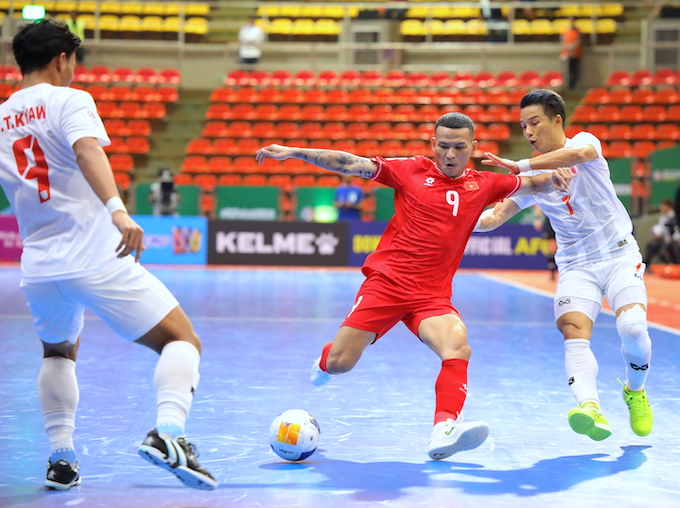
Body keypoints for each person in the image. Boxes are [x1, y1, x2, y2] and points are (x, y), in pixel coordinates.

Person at [256, 112, 573, 460]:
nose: (451, 155)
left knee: (458, 346)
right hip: (387, 283)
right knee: (341, 362)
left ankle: (444, 429)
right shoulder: (411, 171)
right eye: (444, 146)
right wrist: (294, 151)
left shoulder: (484, 184)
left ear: (474, 148)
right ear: (433, 144)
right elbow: (351, 163)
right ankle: (325, 360)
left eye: (459, 147)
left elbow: (531, 184)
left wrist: (554, 174)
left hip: (432, 295)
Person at [0, 20, 216, 490]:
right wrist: (118, 211)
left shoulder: (1, 118)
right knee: (182, 340)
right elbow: (87, 152)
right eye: (74, 61)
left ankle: (61, 459)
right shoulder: (70, 99)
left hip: (38, 265)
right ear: (61, 59)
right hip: (93, 255)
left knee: (58, 353)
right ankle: (169, 434)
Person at [476, 89, 654, 442]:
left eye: (535, 122)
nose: (528, 131)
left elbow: (576, 154)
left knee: (633, 329)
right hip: (576, 265)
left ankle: (635, 391)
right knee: (573, 331)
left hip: (618, 254)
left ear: (557, 120)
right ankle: (590, 407)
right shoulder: (533, 181)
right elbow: (496, 216)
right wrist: (450, 217)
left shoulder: (585, 144)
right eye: (523, 125)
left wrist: (520, 165)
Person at [644, 199, 677, 265]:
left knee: (665, 247)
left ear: (668, 206)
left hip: (673, 239)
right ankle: (646, 264)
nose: (661, 208)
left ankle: (673, 264)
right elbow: (661, 229)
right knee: (650, 245)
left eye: (663, 206)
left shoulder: (674, 216)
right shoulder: (662, 217)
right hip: (663, 239)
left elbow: (676, 229)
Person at [532, 204, 557, 279]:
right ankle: (552, 271)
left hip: (566, 221)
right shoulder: (547, 193)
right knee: (552, 247)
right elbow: (538, 204)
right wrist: (537, 218)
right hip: (550, 221)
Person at [560, 17, 582, 90]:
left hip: (575, 54)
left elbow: (578, 42)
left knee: (574, 70)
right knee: (567, 70)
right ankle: (567, 85)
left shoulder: (577, 32)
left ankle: (573, 86)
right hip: (567, 54)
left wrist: (572, 49)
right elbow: (563, 42)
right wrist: (567, 50)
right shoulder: (565, 32)